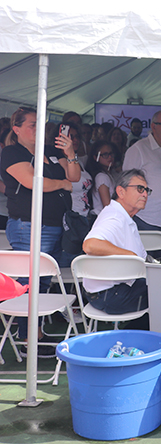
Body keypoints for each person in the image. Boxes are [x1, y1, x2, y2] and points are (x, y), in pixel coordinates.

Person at [1, 107, 81, 357]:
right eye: (32, 125)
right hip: (30, 226)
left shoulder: (50, 153)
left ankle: (32, 335)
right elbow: (32, 181)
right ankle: (28, 339)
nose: (38, 129)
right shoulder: (12, 152)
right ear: (17, 129)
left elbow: (75, 176)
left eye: (40, 125)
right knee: (29, 283)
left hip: (56, 226)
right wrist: (62, 184)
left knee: (42, 282)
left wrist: (70, 153)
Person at [82, 169, 150, 329]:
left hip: (109, 292)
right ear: (121, 191)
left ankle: (133, 337)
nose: (145, 194)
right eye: (140, 189)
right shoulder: (114, 217)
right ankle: (135, 341)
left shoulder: (121, 215)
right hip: (109, 295)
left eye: (147, 190)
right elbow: (90, 245)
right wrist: (130, 255)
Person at [122, 111, 161, 245]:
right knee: (146, 263)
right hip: (146, 218)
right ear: (153, 127)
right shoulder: (138, 149)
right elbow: (126, 185)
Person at [87, 141, 121, 215]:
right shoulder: (102, 177)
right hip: (103, 217)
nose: (110, 157)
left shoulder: (109, 174)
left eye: (111, 154)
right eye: (105, 154)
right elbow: (107, 205)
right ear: (96, 157)